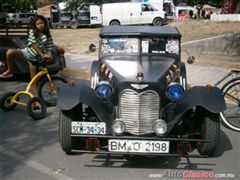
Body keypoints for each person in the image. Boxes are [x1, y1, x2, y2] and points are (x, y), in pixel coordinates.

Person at [0, 15, 53, 94]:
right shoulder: (33, 32)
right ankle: (10, 70)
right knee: (10, 52)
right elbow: (33, 44)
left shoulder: (47, 35)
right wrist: (42, 54)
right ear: (35, 25)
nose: (40, 25)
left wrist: (50, 54)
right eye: (38, 24)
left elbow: (49, 46)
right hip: (27, 52)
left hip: (35, 58)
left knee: (34, 80)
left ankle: (36, 99)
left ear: (45, 23)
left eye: (42, 23)